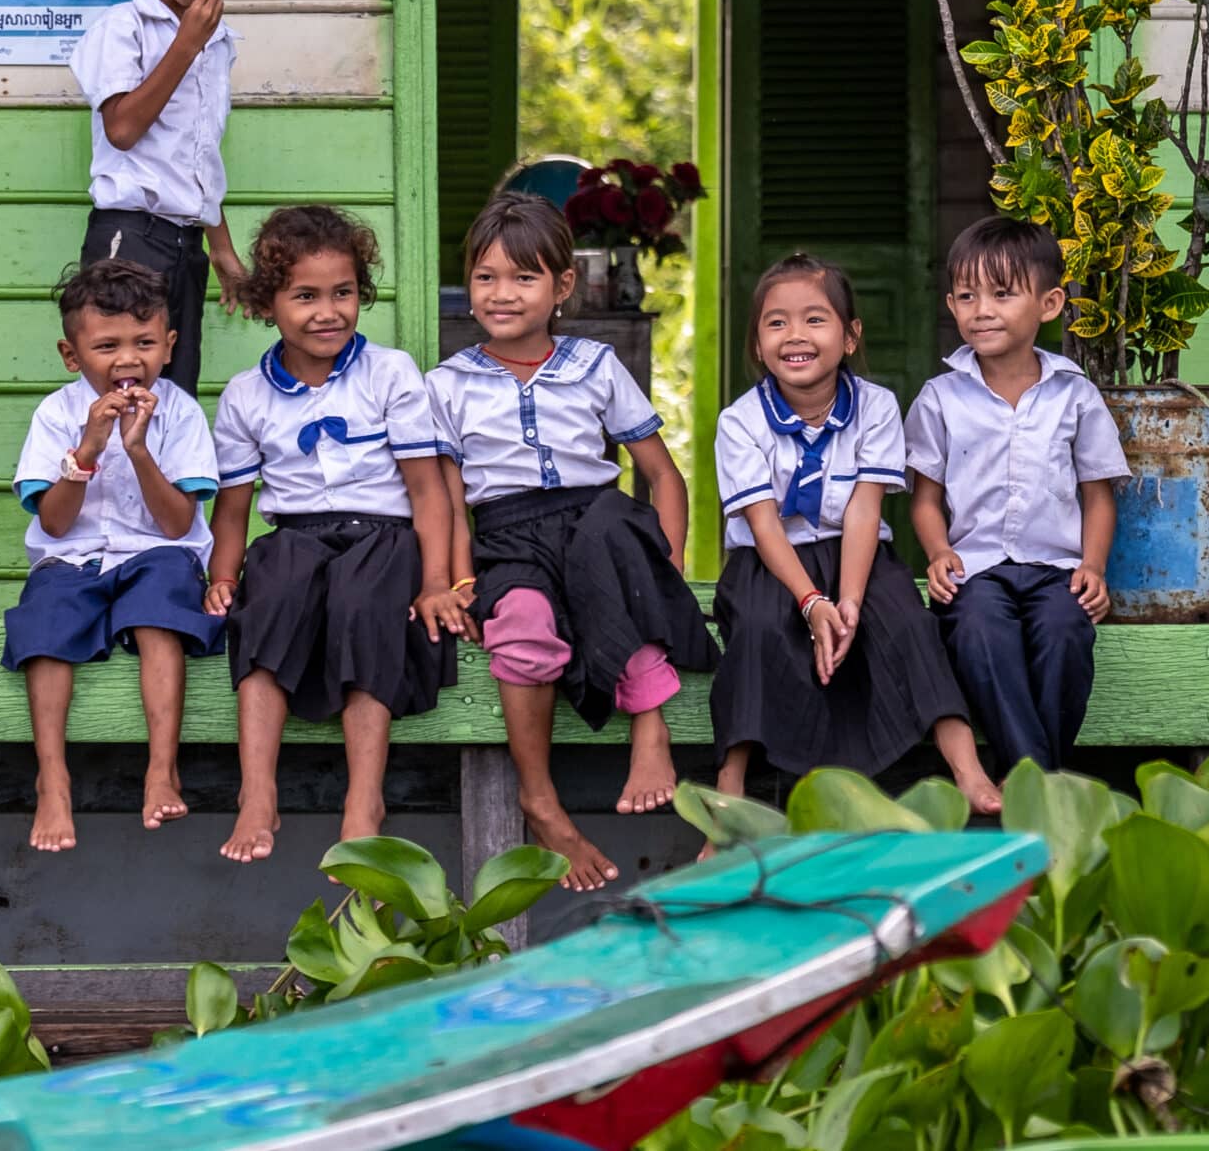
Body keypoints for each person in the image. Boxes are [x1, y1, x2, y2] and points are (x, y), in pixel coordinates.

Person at [427, 194, 716, 892]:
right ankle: (541, 798)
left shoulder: (595, 364)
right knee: (522, 623)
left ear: (562, 288)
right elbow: (447, 499)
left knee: (615, 546)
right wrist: (457, 580)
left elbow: (661, 477)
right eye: (487, 275)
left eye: (523, 277)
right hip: (508, 538)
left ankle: (651, 731)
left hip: (597, 520)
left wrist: (665, 566)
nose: (501, 293)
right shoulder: (446, 384)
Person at [205, 207, 461, 864]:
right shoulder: (244, 396)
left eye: (343, 292)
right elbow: (233, 510)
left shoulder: (391, 372)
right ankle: (257, 792)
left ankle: (363, 800)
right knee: (269, 603)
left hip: (383, 535)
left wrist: (435, 581)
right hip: (297, 535)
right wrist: (223, 577)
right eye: (306, 296)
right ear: (270, 301)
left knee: (365, 604)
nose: (329, 311)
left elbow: (428, 490)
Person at [709, 254, 998, 815]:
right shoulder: (740, 421)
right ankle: (730, 790)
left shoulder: (877, 406)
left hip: (857, 554)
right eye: (776, 323)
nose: (795, 335)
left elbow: (866, 512)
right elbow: (763, 525)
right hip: (770, 562)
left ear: (850, 336)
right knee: (760, 630)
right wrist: (811, 601)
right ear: (756, 343)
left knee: (909, 622)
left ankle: (968, 770)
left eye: (815, 319)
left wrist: (848, 601)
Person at [5, 259, 222, 852]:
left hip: (157, 552)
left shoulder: (179, 413)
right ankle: (53, 778)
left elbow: (178, 525)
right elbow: (54, 521)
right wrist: (92, 446)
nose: (128, 360)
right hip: (73, 556)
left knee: (160, 616)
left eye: (145, 342)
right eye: (107, 345)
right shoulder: (55, 413)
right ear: (72, 355)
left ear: (170, 345)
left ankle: (161, 768)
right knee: (46, 628)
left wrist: (140, 451)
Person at [906, 217, 1129, 775]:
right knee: (981, 634)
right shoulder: (939, 399)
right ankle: (1045, 784)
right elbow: (925, 499)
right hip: (976, 571)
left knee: (1065, 632)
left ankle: (1027, 782)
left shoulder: (1075, 395)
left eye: (1002, 295)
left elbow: (1098, 496)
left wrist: (1094, 568)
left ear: (1049, 304)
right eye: (966, 295)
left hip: (1057, 568)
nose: (981, 309)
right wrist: (937, 553)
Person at [68, 0, 246, 395]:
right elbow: (123, 128)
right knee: (125, 384)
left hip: (184, 240)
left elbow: (197, 153)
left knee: (175, 389)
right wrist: (185, 42)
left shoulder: (218, 38)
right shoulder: (122, 30)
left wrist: (221, 249)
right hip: (130, 233)